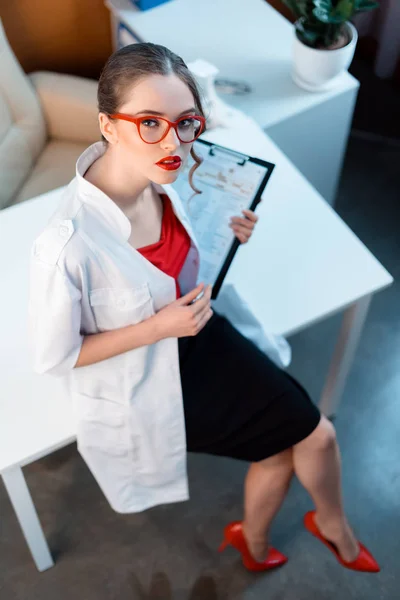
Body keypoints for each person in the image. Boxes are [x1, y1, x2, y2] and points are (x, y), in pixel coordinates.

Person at [28, 43, 379, 574]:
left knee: (294, 440)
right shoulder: (67, 245)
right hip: (153, 376)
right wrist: (155, 328)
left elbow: (180, 259)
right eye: (150, 122)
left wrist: (224, 230)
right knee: (311, 435)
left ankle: (257, 540)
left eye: (186, 121)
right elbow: (56, 356)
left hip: (201, 337)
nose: (174, 141)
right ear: (107, 125)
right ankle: (323, 528)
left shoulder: (173, 173)